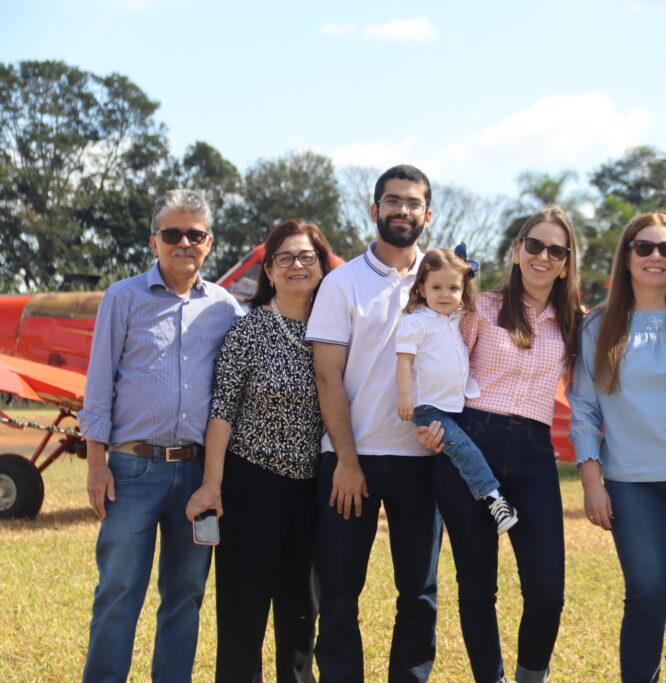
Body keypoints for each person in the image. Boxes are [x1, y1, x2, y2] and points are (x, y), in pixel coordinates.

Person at [79, 189, 244, 682]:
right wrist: (95, 463)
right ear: (154, 241)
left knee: (185, 595)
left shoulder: (226, 308)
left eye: (195, 234)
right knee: (118, 591)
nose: (184, 243)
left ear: (209, 243)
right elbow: (98, 383)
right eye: (172, 234)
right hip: (131, 469)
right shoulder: (122, 298)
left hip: (197, 474)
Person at [419, 207, 584, 683]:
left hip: (534, 453)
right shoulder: (481, 308)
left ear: (566, 263)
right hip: (472, 445)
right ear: (517, 250)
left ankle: (532, 676)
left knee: (547, 589)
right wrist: (435, 424)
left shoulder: (574, 322)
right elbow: (444, 368)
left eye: (556, 250)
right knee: (477, 588)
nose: (543, 256)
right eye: (534, 245)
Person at [568, 211, 666, 683]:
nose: (656, 257)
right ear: (627, 255)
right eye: (644, 247)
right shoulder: (598, 326)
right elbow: (583, 409)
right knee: (647, 595)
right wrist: (592, 483)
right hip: (631, 484)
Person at [306, 164, 443, 682]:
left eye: (412, 203)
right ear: (375, 210)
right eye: (393, 201)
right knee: (339, 590)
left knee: (420, 593)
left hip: (423, 461)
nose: (402, 211)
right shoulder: (342, 284)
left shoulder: (443, 282)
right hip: (351, 460)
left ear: (427, 215)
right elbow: (327, 377)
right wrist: (344, 459)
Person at [185, 219, 336, 682]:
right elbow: (222, 413)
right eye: (284, 258)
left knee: (300, 616)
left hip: (311, 490)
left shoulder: (336, 334)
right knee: (243, 615)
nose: (296, 265)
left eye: (306, 257)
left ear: (321, 265)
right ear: (268, 270)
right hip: (251, 486)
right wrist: (212, 485)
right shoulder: (247, 332)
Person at [396, 246, 518, 533]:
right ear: (422, 288)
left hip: (456, 405)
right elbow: (403, 362)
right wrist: (404, 397)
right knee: (465, 450)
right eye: (436, 287)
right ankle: (495, 500)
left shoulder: (456, 318)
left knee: (467, 450)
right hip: (427, 406)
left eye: (453, 288)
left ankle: (478, 504)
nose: (445, 294)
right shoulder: (415, 322)